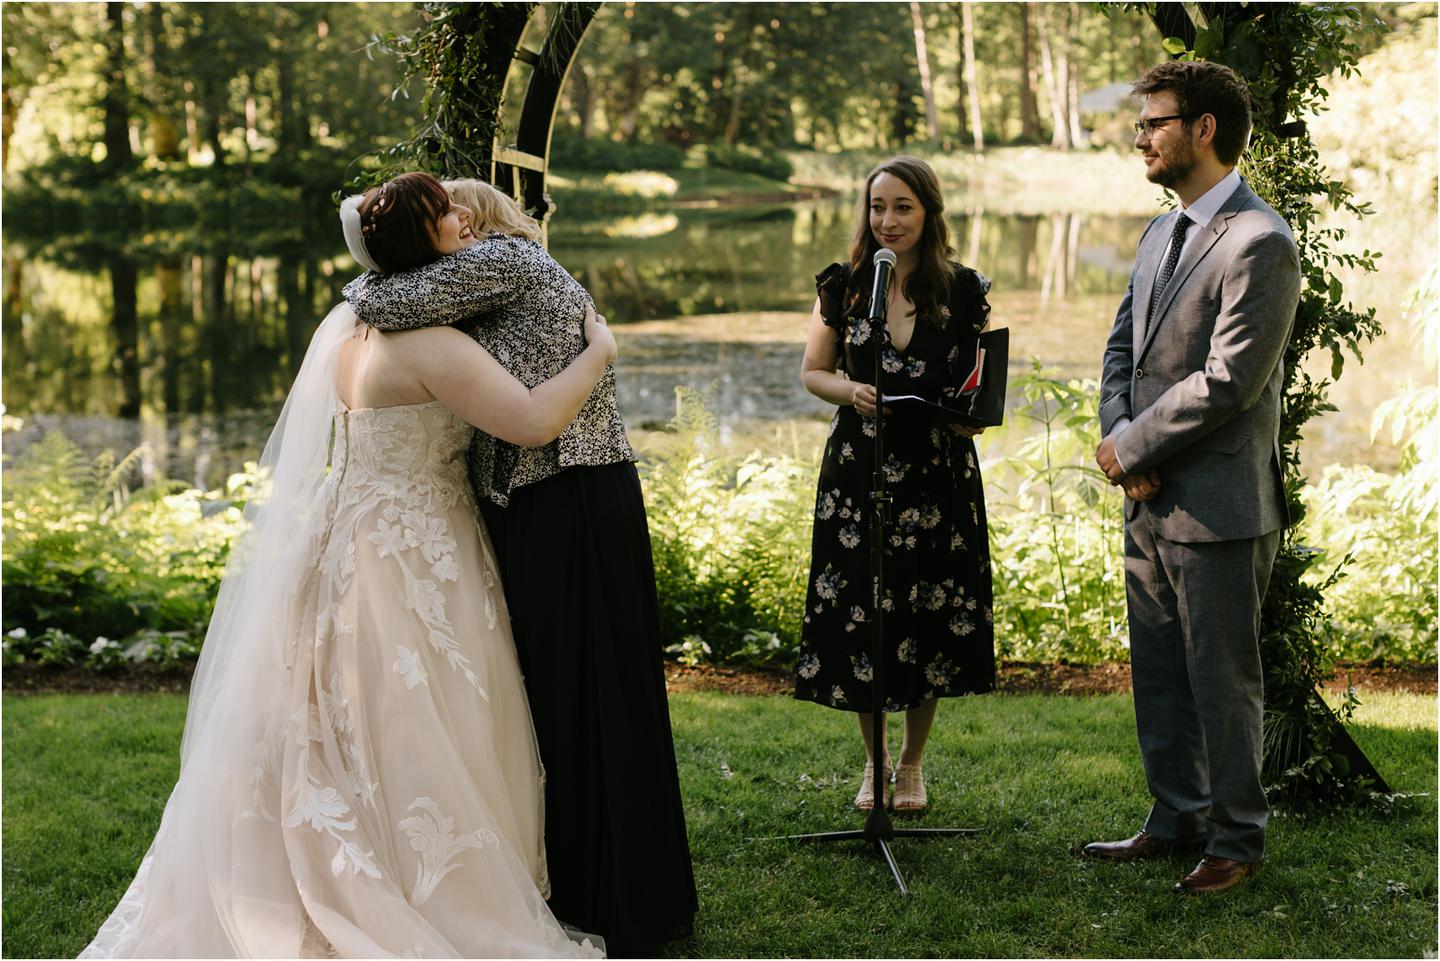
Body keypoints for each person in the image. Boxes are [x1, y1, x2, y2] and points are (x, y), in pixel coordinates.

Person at [82, 176, 617, 957]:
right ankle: (412, 888)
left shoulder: (348, 333)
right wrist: (599, 351)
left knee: (331, 718)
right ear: (427, 244)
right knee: (421, 719)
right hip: (417, 548)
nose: (463, 220)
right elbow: (534, 422)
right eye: (447, 215)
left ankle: (316, 862)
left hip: (341, 537)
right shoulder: (434, 344)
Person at [342, 175, 697, 957]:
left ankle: (626, 896)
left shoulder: (504, 258)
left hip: (572, 490)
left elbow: (381, 303)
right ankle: (593, 883)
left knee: (597, 692)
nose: (461, 218)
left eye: (464, 206)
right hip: (550, 496)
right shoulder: (481, 281)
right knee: (567, 699)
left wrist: (361, 273)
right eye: (446, 212)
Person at [1087, 61, 1300, 895]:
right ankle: (1174, 816)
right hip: (1147, 499)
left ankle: (1236, 840)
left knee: (1222, 678)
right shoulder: (1157, 231)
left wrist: (1134, 448)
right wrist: (1119, 442)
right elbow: (1120, 351)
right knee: (1161, 671)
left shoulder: (1261, 241)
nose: (1140, 136)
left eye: (1154, 122)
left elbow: (1230, 381)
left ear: (1203, 128)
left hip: (1218, 504)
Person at [796, 155, 996, 814]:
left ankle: (912, 764)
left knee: (930, 614)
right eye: (878, 207)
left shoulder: (963, 289)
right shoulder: (845, 285)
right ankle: (874, 760)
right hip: (861, 476)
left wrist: (973, 418)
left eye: (902, 207)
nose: (888, 220)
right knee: (866, 618)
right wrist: (850, 389)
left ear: (928, 212)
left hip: (938, 473)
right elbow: (812, 372)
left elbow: (979, 381)